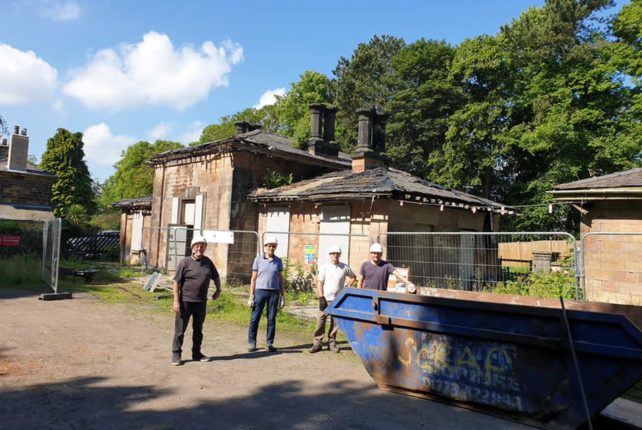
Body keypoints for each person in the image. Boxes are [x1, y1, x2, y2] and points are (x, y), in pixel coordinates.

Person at [171, 235, 221, 366]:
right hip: (185, 301)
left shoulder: (208, 262)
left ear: (205, 248)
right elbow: (176, 282)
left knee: (198, 329)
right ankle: (176, 354)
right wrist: (176, 301)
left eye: (202, 246)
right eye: (197, 246)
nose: (199, 248)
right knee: (180, 330)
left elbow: (216, 277)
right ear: (193, 248)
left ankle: (196, 353)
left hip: (201, 302)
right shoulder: (185, 262)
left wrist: (218, 290)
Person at [309, 245, 356, 354]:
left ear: (340, 254)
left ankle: (332, 343)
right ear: (330, 255)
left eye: (337, 253)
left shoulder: (344, 267)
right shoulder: (325, 267)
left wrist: (347, 287)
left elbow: (353, 277)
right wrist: (321, 297)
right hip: (325, 299)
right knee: (321, 321)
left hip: (338, 300)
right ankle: (317, 343)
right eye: (333, 253)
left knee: (335, 323)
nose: (335, 255)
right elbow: (319, 282)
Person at [247, 236, 285, 352]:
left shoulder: (278, 261)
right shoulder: (258, 260)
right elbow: (253, 279)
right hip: (260, 291)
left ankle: (269, 343)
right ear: (265, 247)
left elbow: (280, 279)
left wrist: (282, 296)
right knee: (255, 318)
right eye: (269, 246)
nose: (271, 248)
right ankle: (252, 342)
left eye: (273, 246)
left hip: (274, 292)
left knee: (271, 318)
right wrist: (251, 296)